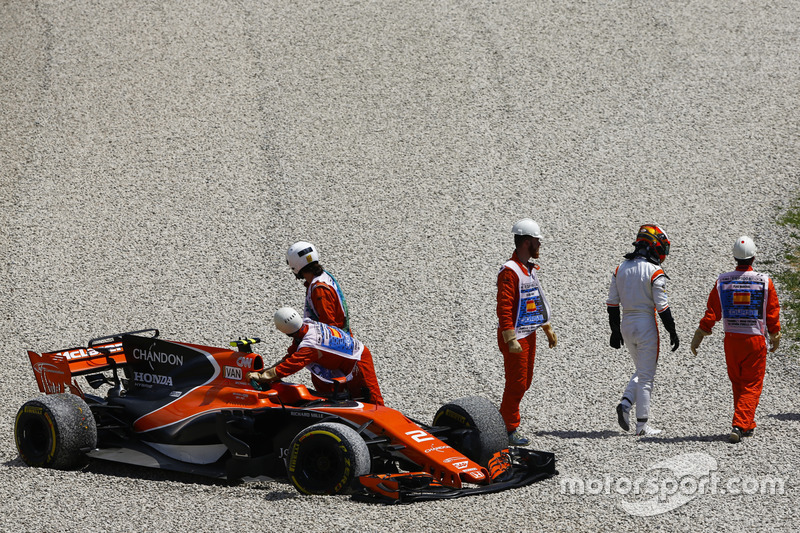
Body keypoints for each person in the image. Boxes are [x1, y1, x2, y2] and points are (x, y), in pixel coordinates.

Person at [689, 236, 781, 443]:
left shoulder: (723, 281)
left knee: (738, 382)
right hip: (754, 340)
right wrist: (775, 336)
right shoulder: (765, 281)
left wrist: (699, 336)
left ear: (734, 257)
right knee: (752, 384)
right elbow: (772, 312)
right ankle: (739, 424)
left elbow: (712, 312)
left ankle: (747, 423)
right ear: (754, 257)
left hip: (731, 341)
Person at [607, 224, 679, 437]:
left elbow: (612, 304)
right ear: (655, 246)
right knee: (647, 376)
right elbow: (662, 307)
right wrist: (672, 331)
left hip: (626, 325)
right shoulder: (654, 271)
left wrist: (614, 331)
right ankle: (642, 426)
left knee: (642, 369)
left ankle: (626, 403)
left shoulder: (620, 268)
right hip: (646, 324)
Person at [497, 218, 558, 446]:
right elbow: (504, 306)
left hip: (528, 334)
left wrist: (546, 327)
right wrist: (510, 337)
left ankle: (504, 421)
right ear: (526, 242)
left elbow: (534, 300)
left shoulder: (527, 270)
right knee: (516, 384)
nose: (539, 245)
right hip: (516, 336)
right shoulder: (510, 272)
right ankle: (508, 428)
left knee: (524, 382)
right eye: (536, 241)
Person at [248, 307, 384, 406]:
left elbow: (292, 365)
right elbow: (291, 355)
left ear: (285, 332)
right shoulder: (308, 325)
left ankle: (387, 430)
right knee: (354, 399)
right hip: (349, 357)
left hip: (358, 359)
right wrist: (267, 371)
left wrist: (262, 377)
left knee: (370, 397)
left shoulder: (310, 344)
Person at [286, 241, 350, 333]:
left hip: (333, 341)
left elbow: (328, 325)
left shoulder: (319, 290)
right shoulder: (324, 277)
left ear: (294, 265)